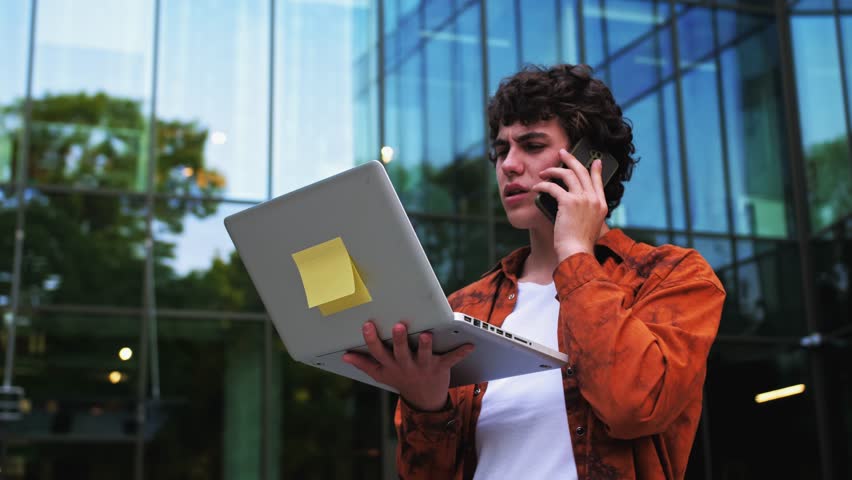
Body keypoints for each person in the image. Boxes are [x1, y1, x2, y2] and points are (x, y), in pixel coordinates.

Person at [342, 64, 725, 479]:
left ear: (592, 162)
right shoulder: (465, 307)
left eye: (532, 144)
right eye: (502, 149)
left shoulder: (672, 277)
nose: (508, 164)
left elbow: (632, 406)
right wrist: (427, 404)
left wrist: (575, 253)